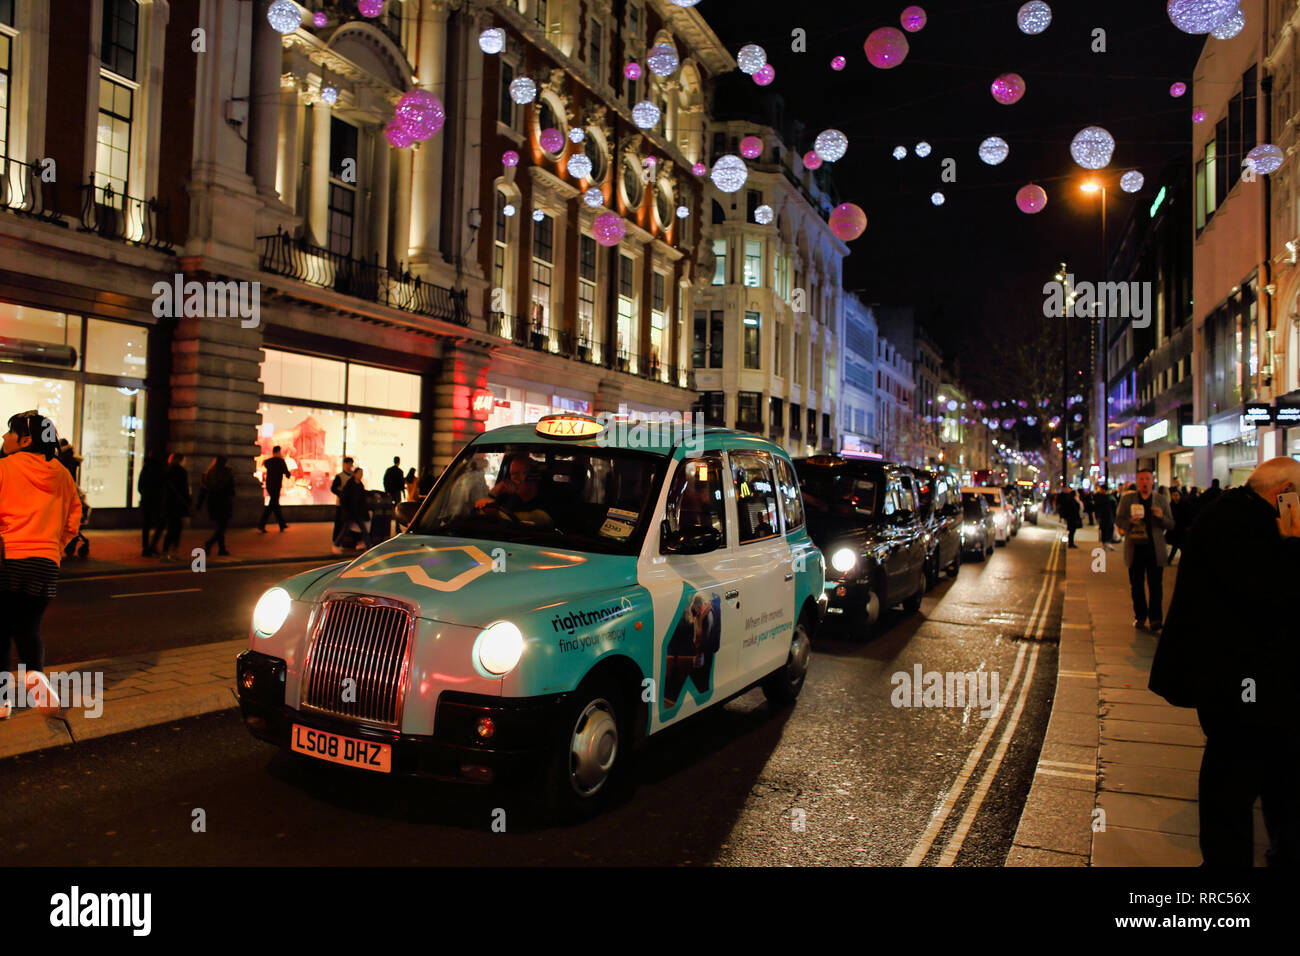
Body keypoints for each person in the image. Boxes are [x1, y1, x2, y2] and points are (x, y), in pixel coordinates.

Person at [1150, 457, 1300, 866]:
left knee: (1258, 774)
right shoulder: (1250, 528)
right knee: (1236, 778)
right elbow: (1273, 599)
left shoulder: (1227, 515)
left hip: (1234, 681)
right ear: (1282, 493)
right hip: (1246, 685)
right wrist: (1293, 543)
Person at [0, 411, 82, 718]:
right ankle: (35, 675)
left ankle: (1, 701)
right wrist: (55, 548)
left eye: (9, 432)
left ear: (26, 439)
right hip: (45, 563)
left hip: (8, 559)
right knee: (27, 627)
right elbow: (74, 520)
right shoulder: (62, 473)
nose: (4, 437)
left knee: (1, 631)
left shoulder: (4, 468)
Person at [1115, 468, 1175, 632]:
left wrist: (1161, 517)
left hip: (1155, 550)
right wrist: (1130, 522)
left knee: (1156, 586)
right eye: (1141, 479)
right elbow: (1119, 521)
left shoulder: (1161, 500)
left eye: (1147, 479)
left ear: (1152, 481)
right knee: (1136, 585)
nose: (1144, 483)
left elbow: (1171, 524)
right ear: (1137, 482)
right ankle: (1140, 616)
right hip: (1135, 549)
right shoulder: (1128, 499)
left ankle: (1156, 619)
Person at [196, 456, 235, 556]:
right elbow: (231, 490)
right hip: (224, 502)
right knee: (222, 527)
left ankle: (221, 549)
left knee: (220, 525)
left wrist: (199, 505)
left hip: (212, 502)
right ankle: (210, 543)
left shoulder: (209, 474)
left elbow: (203, 490)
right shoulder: (227, 474)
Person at [160, 452, 191, 562]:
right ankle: (173, 551)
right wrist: (188, 502)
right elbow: (184, 489)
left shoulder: (166, 471)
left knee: (171, 529)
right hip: (178, 504)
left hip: (168, 504)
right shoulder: (181, 472)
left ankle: (165, 552)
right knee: (176, 529)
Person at [333, 467, 372, 552]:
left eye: (362, 474)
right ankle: (336, 544)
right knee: (345, 529)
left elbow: (362, 497)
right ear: (355, 474)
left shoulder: (360, 485)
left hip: (357, 511)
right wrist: (346, 509)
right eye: (359, 473)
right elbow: (344, 498)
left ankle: (367, 546)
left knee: (363, 528)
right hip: (350, 511)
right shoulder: (350, 485)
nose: (361, 475)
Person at [138, 453, 166, 557]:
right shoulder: (160, 470)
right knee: (161, 523)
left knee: (146, 525)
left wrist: (145, 494)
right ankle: (152, 545)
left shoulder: (145, 469)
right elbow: (163, 486)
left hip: (146, 500)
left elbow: (140, 486)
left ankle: (146, 548)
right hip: (156, 500)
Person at [257, 445, 290, 532]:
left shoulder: (268, 462)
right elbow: (287, 474)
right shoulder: (281, 461)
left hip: (269, 485)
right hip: (276, 485)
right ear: (279, 452)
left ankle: (281, 524)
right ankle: (262, 524)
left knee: (274, 504)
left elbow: (265, 464)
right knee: (273, 504)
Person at [330, 456, 355, 541]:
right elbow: (333, 489)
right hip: (341, 504)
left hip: (350, 504)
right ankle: (336, 540)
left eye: (351, 464)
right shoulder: (340, 476)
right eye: (348, 464)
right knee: (339, 523)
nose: (349, 466)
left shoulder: (353, 476)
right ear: (344, 464)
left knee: (347, 523)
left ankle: (344, 541)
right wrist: (342, 495)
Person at [1094, 483, 1118, 549]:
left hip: (1106, 516)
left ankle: (1106, 542)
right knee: (1105, 529)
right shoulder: (1109, 497)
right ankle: (1106, 542)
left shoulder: (1105, 497)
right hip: (1106, 516)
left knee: (1106, 529)